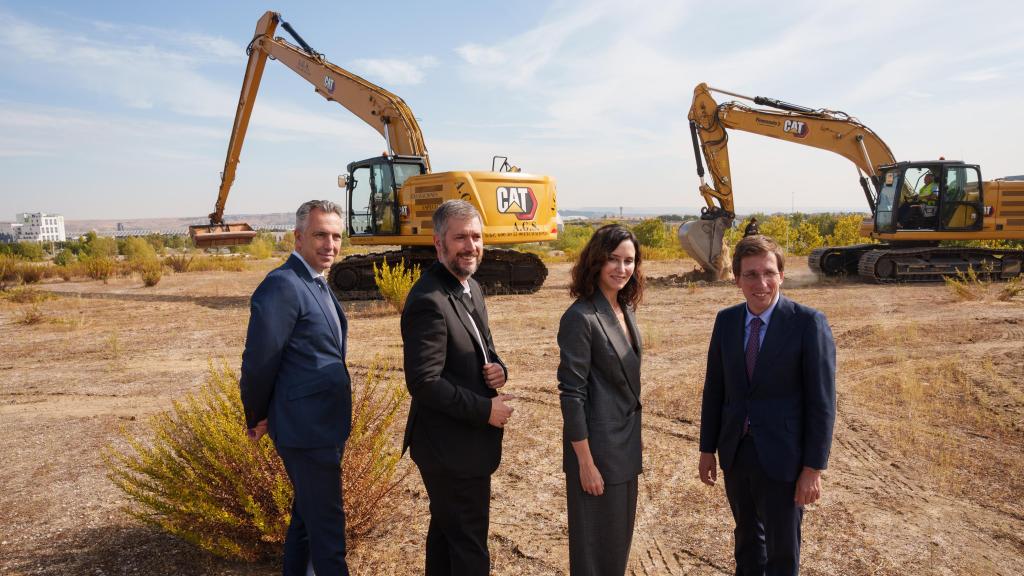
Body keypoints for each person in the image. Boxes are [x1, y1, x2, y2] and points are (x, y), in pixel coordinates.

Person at [698, 234, 836, 576]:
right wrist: (707, 449)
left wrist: (813, 468)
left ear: (781, 275)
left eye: (769, 273)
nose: (761, 283)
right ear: (736, 279)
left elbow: (822, 402)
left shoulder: (807, 323)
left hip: (784, 458)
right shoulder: (726, 321)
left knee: (782, 552)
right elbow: (715, 389)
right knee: (746, 544)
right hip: (737, 453)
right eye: (751, 274)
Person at [239, 200, 352, 576]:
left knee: (307, 520)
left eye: (336, 236)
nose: (330, 245)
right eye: (320, 235)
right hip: (306, 430)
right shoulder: (283, 285)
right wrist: (257, 414)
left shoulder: (316, 282)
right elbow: (260, 362)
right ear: (298, 237)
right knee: (328, 532)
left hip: (324, 425)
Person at [401, 199, 514, 575]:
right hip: (447, 448)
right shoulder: (428, 300)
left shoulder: (471, 287)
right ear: (439, 243)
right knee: (469, 548)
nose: (471, 246)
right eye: (461, 237)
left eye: (476, 237)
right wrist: (486, 410)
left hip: (464, 444)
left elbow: (485, 347)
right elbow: (424, 382)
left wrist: (499, 369)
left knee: (447, 537)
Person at [557, 224, 645, 576]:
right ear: (596, 261)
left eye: (629, 261)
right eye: (613, 259)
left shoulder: (624, 308)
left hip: (625, 447)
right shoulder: (580, 317)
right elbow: (572, 394)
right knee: (593, 555)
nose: (622, 268)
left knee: (615, 549)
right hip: (596, 453)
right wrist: (585, 463)